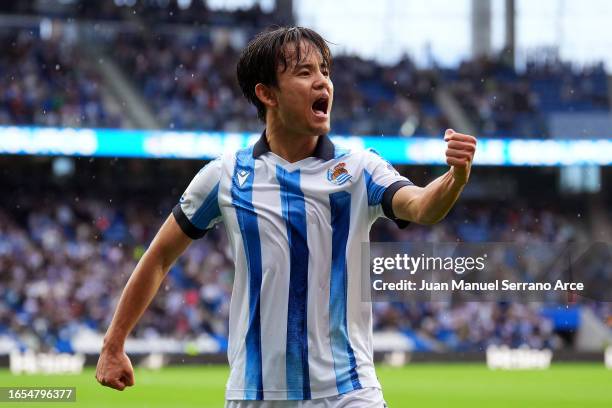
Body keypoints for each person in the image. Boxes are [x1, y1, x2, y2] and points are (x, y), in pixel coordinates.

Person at [95, 26, 477, 407]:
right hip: (256, 395)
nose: (322, 83)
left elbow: (423, 206)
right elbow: (159, 256)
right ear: (267, 93)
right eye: (305, 72)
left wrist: (455, 178)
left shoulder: (360, 168)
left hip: (349, 393)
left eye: (325, 71)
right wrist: (114, 344)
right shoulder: (226, 175)